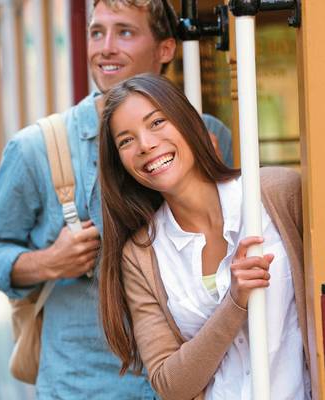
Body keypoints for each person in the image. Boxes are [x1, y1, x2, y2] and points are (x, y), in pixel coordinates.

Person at [0, 0, 232, 397]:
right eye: (96, 32)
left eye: (124, 31)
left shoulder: (210, 136)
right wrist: (49, 262)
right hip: (82, 387)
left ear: (165, 49)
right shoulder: (37, 147)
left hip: (193, 382)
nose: (105, 47)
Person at [98, 74, 315, 399]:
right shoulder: (141, 255)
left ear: (190, 123)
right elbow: (171, 386)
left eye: (157, 122)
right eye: (126, 141)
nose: (145, 145)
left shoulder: (277, 193)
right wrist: (234, 302)